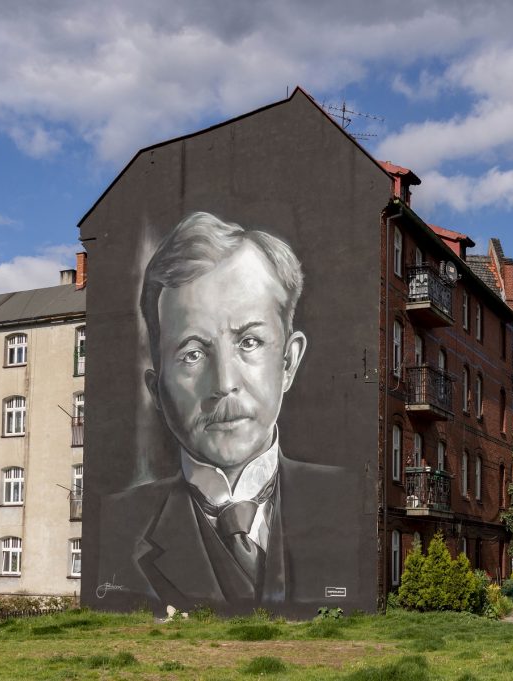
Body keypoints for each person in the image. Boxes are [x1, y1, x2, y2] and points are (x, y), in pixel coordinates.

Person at [97, 212, 357, 615]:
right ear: (156, 389)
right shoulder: (116, 526)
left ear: (288, 362)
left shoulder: (351, 503)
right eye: (193, 353)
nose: (224, 382)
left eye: (249, 341)